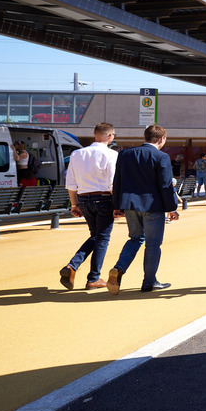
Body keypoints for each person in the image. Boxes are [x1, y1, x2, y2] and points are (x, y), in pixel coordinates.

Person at [107, 125, 180, 294]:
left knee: (135, 238)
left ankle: (119, 268)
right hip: (153, 207)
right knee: (153, 245)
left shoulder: (125, 154)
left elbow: (117, 181)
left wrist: (116, 206)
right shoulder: (162, 157)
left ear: (145, 136)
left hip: (130, 205)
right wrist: (171, 208)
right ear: (161, 139)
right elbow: (165, 185)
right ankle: (149, 282)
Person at [59, 122, 119, 291]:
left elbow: (70, 182)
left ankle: (72, 267)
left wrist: (74, 204)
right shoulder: (111, 154)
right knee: (102, 238)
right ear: (109, 136)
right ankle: (92, 278)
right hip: (104, 199)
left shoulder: (77, 154)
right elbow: (112, 183)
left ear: (95, 134)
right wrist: (117, 205)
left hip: (83, 199)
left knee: (96, 236)